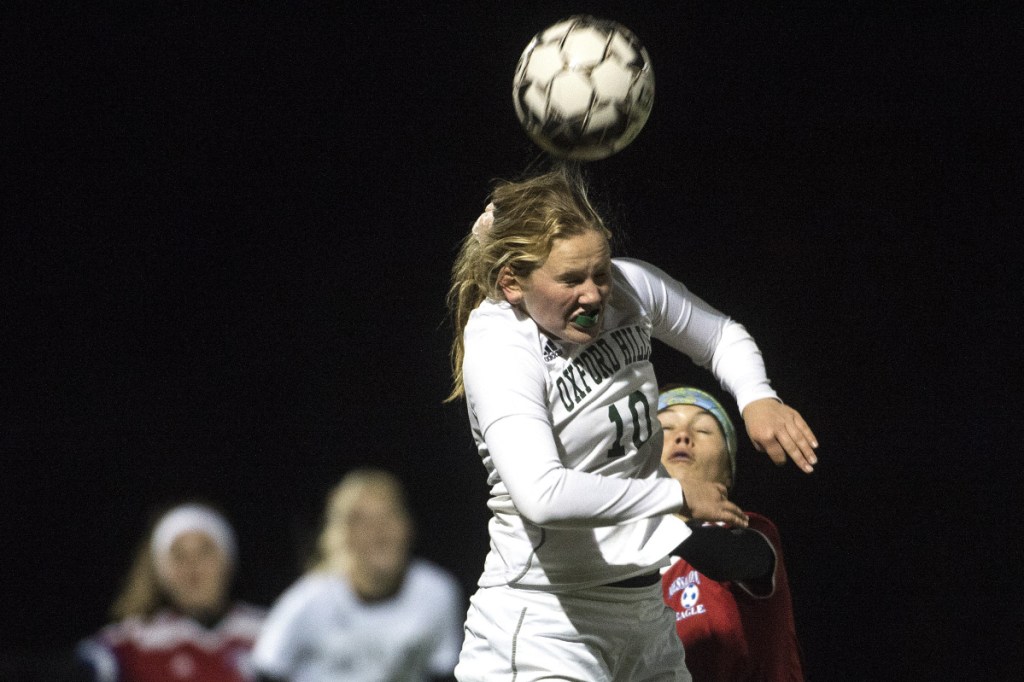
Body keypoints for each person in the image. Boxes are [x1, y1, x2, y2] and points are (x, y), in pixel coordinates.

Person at [445, 166, 818, 681]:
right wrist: (676, 496)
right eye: (571, 279)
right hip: (544, 624)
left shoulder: (628, 289)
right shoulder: (500, 347)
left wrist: (758, 397)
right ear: (512, 282)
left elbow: (720, 337)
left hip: (645, 615)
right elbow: (542, 494)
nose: (595, 293)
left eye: (599, 271)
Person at [251, 468, 464, 682]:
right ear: (342, 534)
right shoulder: (309, 600)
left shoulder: (437, 593)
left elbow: (444, 671)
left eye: (389, 516)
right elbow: (266, 668)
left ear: (408, 526)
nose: (380, 532)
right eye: (364, 521)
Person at [658, 386, 805, 681]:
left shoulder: (748, 531)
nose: (683, 435)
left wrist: (648, 509)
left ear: (728, 470)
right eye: (665, 428)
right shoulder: (624, 568)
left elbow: (729, 559)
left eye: (703, 430)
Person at [76, 502, 266, 682]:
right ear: (161, 570)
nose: (192, 566)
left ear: (227, 559)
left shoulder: (268, 631)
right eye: (178, 555)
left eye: (204, 551)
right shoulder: (134, 643)